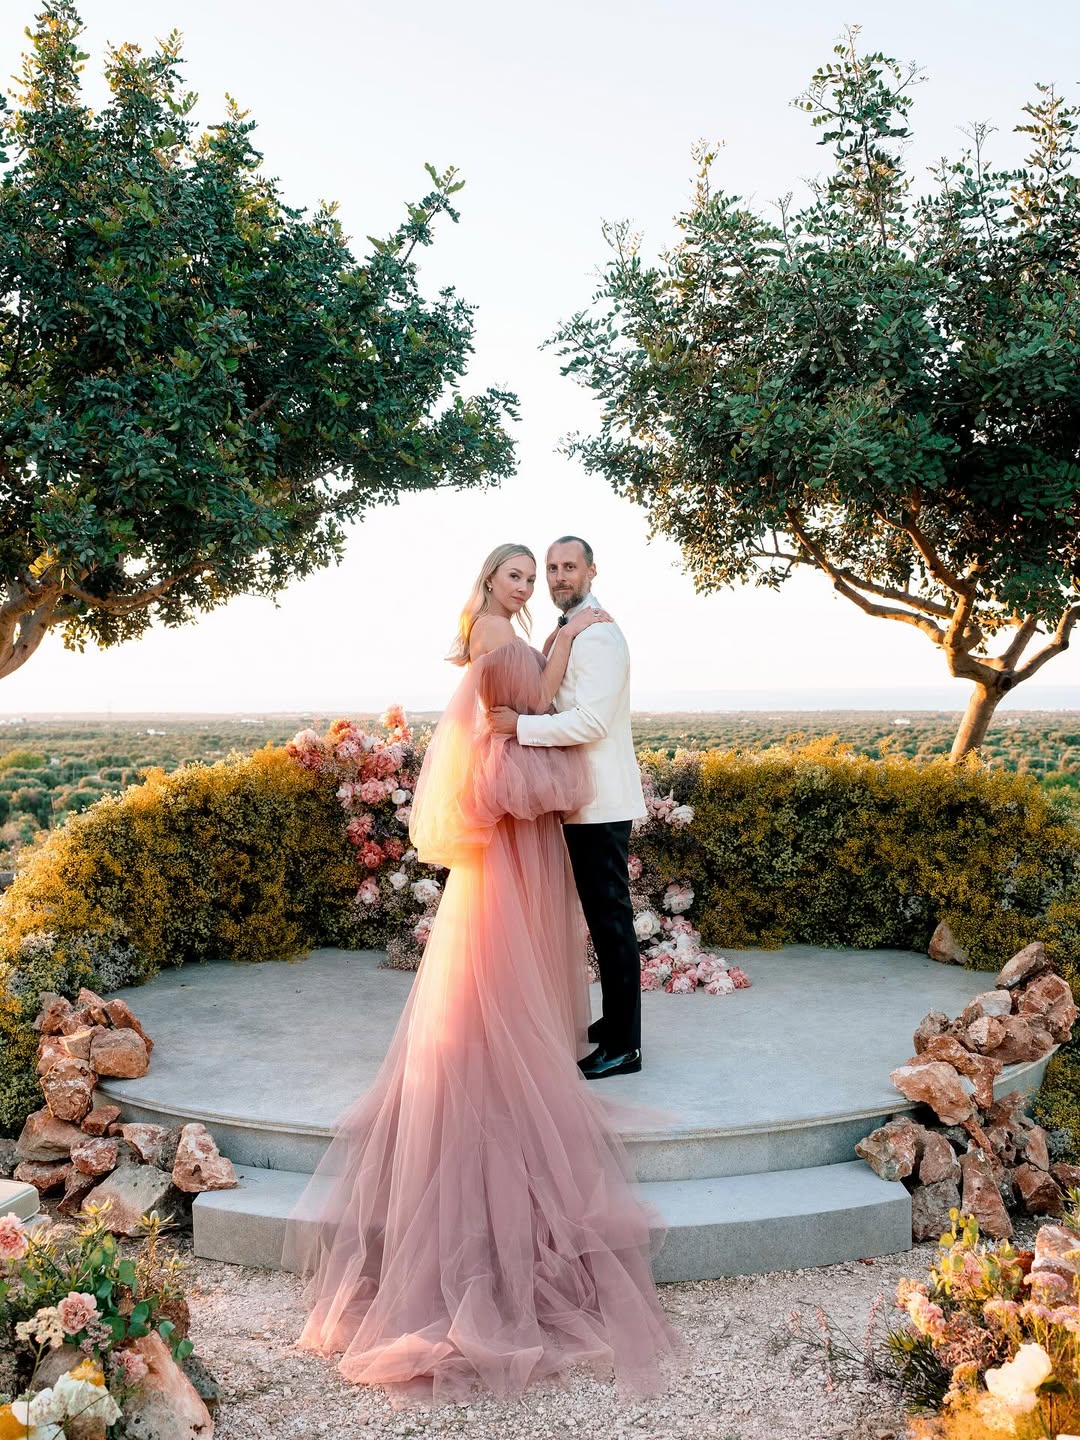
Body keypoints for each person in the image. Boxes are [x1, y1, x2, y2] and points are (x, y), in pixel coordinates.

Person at [282, 543, 678, 1406]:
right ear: (493, 579)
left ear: (582, 575)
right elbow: (527, 704)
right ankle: (581, 1035)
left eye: (548, 573)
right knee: (561, 929)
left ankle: (614, 1039)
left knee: (597, 927)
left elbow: (556, 712)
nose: (537, 583)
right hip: (529, 809)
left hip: (561, 803)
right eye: (524, 573)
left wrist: (554, 657)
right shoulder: (507, 631)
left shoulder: (572, 631)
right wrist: (551, 660)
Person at [489, 537, 646, 1080]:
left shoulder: (598, 635)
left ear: (591, 571)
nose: (558, 577)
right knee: (602, 919)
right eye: (551, 568)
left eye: (568, 567)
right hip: (582, 799)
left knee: (611, 922)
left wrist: (521, 727)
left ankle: (624, 1047)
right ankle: (617, 1021)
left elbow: (591, 722)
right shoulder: (575, 629)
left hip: (600, 800)